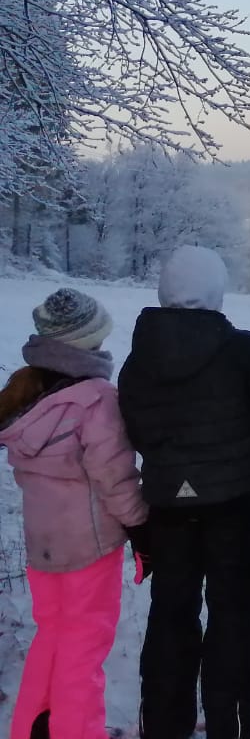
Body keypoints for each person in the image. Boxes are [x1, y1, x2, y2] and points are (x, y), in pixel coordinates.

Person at [120, 245, 250, 739]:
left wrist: (175, 467)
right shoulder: (247, 351)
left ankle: (164, 727)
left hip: (167, 503)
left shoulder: (140, 359)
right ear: (216, 293)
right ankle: (231, 726)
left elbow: (136, 429)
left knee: (171, 613)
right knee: (234, 610)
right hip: (235, 503)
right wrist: (245, 464)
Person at [1, 288, 148, 739]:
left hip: (43, 546)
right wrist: (140, 522)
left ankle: (32, 728)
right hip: (88, 546)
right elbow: (114, 476)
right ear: (88, 342)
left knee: (52, 637)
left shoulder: (26, 392)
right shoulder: (96, 399)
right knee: (84, 650)